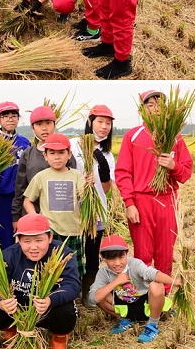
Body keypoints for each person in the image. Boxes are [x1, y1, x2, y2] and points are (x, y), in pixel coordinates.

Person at [115, 90, 192, 283]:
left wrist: (173, 166)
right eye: (150, 105)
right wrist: (129, 203)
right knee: (143, 254)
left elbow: (186, 172)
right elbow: (123, 173)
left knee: (165, 253)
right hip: (141, 201)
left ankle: (163, 297)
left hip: (167, 201)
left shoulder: (175, 137)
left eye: (160, 106)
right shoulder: (133, 136)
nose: (155, 110)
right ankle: (143, 297)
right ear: (141, 111)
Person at [0, 213, 79, 349]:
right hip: (17, 307)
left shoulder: (62, 254)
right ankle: (13, 329)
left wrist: (50, 300)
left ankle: (59, 338)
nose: (33, 247)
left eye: (39, 241)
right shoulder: (9, 255)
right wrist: (2, 304)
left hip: (46, 307)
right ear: (19, 240)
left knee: (66, 310)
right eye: (27, 241)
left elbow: (73, 285)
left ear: (50, 237)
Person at [23, 133, 91, 279]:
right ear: (45, 156)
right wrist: (36, 218)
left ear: (69, 154)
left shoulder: (76, 175)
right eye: (52, 153)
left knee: (72, 267)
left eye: (61, 152)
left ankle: (72, 293)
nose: (57, 157)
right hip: (51, 229)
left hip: (73, 229)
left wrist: (88, 184)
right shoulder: (41, 176)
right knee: (51, 267)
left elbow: (84, 197)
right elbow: (27, 200)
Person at [90, 235, 179, 344]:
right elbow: (92, 298)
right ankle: (125, 322)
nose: (117, 263)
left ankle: (152, 325)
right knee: (100, 295)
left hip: (146, 305)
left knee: (157, 285)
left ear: (127, 254)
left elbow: (152, 273)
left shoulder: (135, 264)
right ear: (103, 258)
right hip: (125, 308)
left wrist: (174, 282)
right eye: (112, 258)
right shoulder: (103, 273)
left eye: (121, 257)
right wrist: (116, 281)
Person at [70, 104, 115, 307]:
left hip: (96, 211)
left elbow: (106, 190)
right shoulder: (73, 145)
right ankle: (72, 288)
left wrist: (103, 170)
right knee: (72, 252)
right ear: (90, 122)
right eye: (100, 122)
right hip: (72, 210)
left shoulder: (107, 155)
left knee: (91, 252)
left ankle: (89, 291)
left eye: (108, 123)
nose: (104, 127)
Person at [12, 106, 77, 227]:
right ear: (32, 128)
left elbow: (72, 187)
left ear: (54, 125)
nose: (44, 128)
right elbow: (20, 188)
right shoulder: (28, 154)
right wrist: (16, 217)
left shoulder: (65, 153)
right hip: (32, 215)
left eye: (48, 123)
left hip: (60, 219)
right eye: (39, 124)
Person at [0, 102, 31, 248]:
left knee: (26, 234)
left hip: (23, 197)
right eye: (5, 116)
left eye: (13, 116)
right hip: (2, 198)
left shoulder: (24, 142)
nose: (10, 119)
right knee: (5, 238)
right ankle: (5, 267)